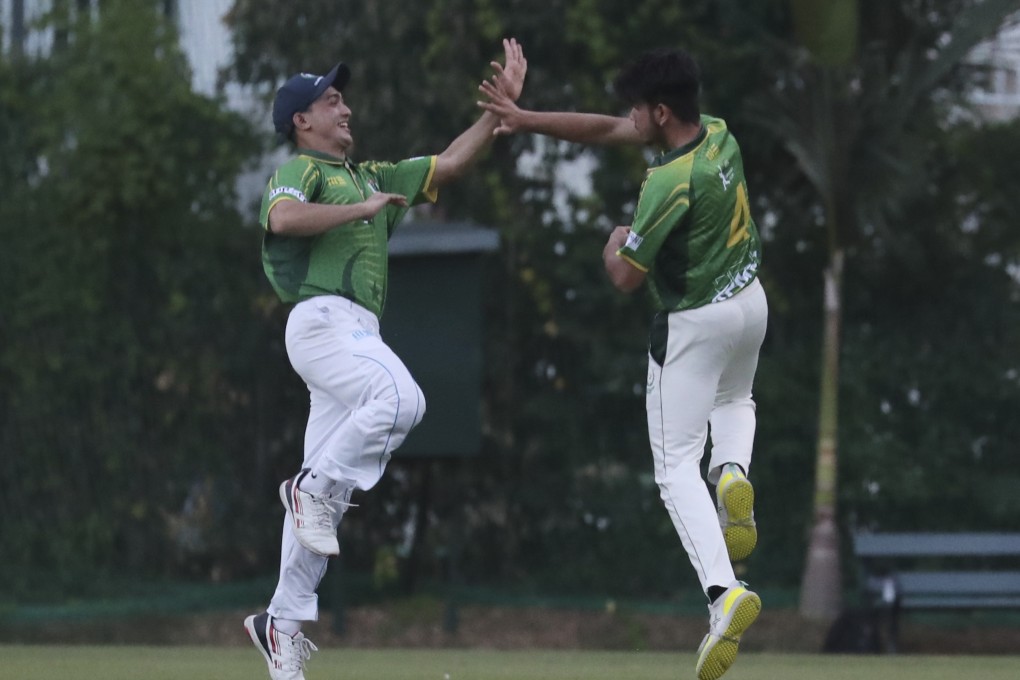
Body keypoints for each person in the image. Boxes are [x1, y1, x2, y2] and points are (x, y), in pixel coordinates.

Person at [479, 48, 766, 680]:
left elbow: (626, 278)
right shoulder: (719, 133)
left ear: (660, 112)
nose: (628, 116)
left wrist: (613, 242)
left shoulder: (667, 184)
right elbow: (610, 129)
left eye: (638, 107)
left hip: (695, 323)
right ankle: (735, 472)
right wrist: (525, 119)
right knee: (735, 402)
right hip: (751, 304)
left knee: (671, 468)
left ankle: (724, 594)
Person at [244, 39, 526, 680]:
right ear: (301, 122)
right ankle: (306, 491)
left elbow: (449, 165)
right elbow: (283, 218)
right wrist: (359, 209)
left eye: (342, 98)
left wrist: (497, 111)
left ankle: (280, 627)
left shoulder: (371, 175)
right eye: (330, 99)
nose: (344, 107)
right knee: (402, 401)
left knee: (330, 480)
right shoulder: (302, 169)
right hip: (322, 323)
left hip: (351, 332)